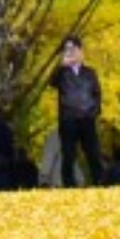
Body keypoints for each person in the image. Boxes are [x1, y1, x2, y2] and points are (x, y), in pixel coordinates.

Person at [51, 36, 104, 187]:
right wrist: (61, 66)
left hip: (87, 118)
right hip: (68, 119)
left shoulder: (90, 72)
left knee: (93, 152)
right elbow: (52, 82)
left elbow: (97, 93)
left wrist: (94, 111)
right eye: (67, 50)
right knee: (69, 154)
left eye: (73, 49)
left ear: (80, 51)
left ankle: (99, 181)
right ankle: (69, 184)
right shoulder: (62, 73)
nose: (70, 53)